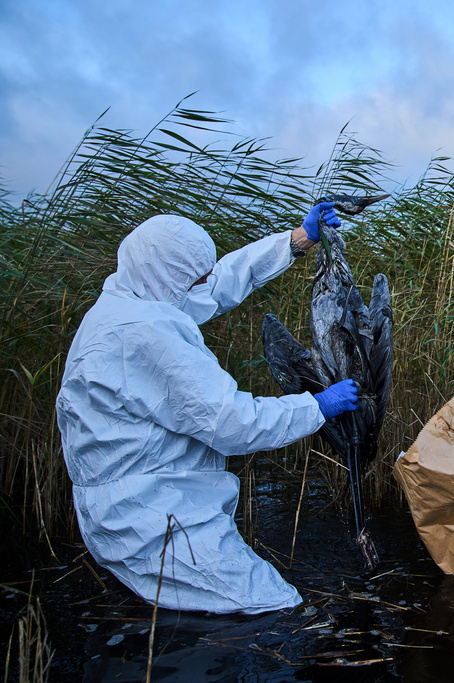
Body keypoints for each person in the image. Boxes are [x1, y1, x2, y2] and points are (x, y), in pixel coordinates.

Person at [56, 203, 360, 614]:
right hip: (152, 517)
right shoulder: (143, 333)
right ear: (168, 274)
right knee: (271, 605)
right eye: (193, 276)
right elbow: (232, 423)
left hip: (144, 501)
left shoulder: (131, 299)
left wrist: (295, 241)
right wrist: (317, 406)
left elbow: (216, 286)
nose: (203, 283)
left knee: (181, 613)